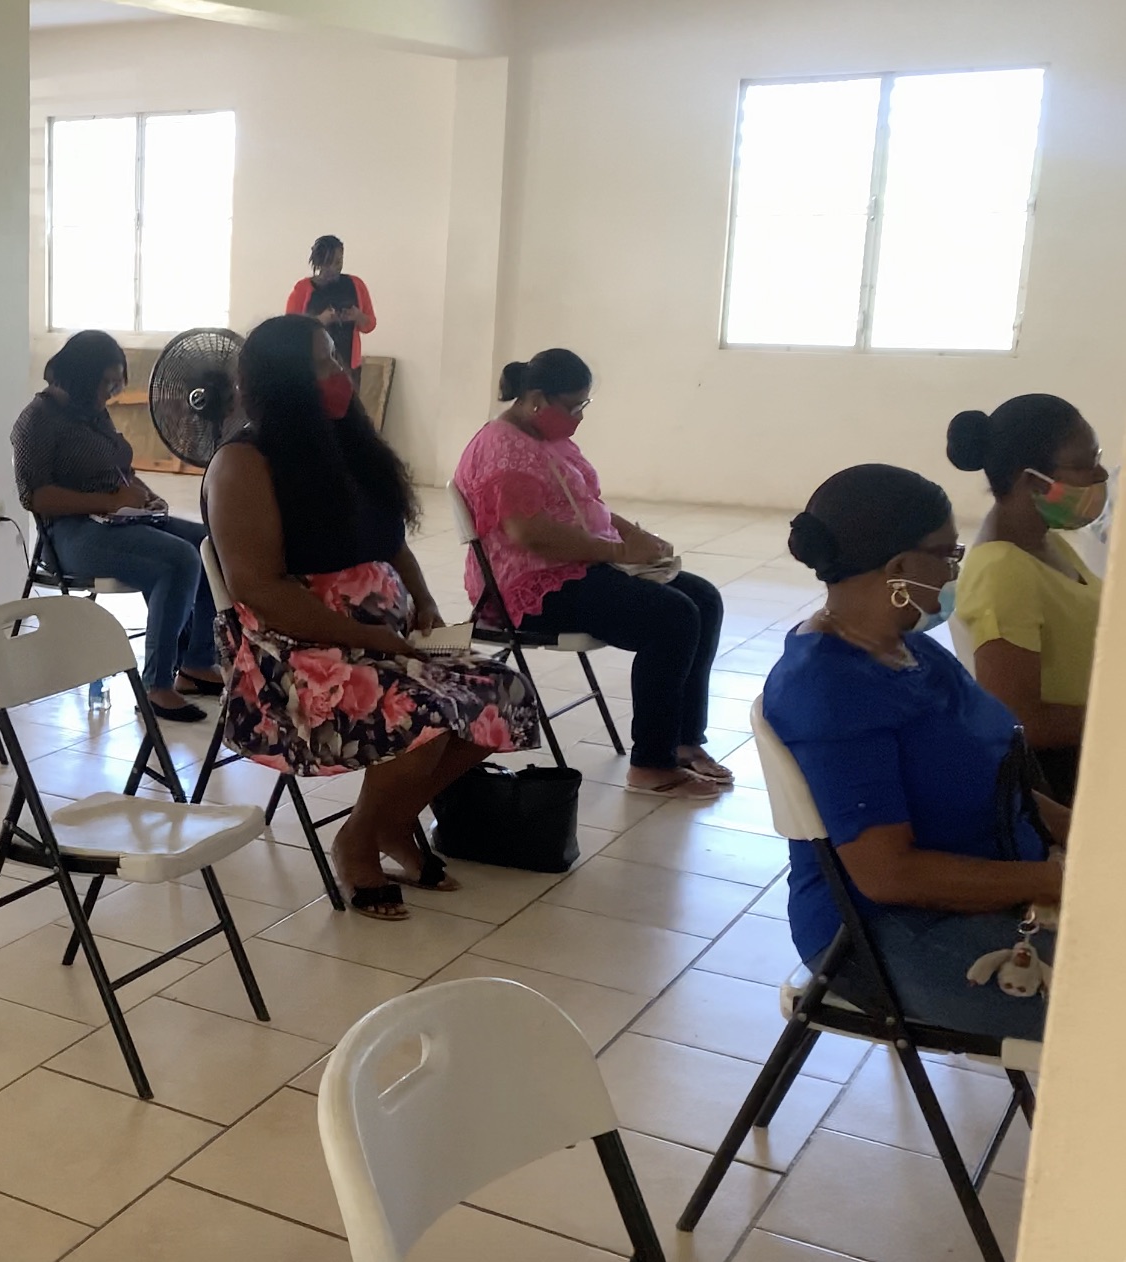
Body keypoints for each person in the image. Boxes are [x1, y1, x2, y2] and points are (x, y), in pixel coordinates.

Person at [206, 316, 543, 920]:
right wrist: (363, 635)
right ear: (284, 380)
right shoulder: (245, 463)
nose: (341, 374)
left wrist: (427, 607)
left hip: (386, 635)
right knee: (418, 707)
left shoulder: (348, 446)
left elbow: (392, 545)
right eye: (323, 363)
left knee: (503, 690)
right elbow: (258, 586)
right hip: (296, 647)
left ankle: (388, 821)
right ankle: (359, 841)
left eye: (337, 359)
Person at [768, 464, 1064, 1041]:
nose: (957, 570)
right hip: (888, 933)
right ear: (899, 568)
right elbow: (887, 875)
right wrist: (1057, 883)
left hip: (987, 881)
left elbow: (994, 775)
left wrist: (1080, 836)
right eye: (948, 555)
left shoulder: (911, 653)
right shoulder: (830, 690)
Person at [453, 349, 730, 798]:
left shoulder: (548, 438)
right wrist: (617, 549)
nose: (579, 417)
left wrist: (636, 538)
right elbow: (530, 534)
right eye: (574, 405)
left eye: (585, 405)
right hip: (531, 588)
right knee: (672, 617)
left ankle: (682, 740)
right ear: (538, 398)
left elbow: (587, 504)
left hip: (579, 565)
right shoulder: (501, 447)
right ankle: (651, 764)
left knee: (703, 598)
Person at [11, 330, 220, 721]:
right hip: (70, 535)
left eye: (116, 382)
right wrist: (107, 502)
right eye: (106, 383)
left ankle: (196, 663)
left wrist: (145, 494)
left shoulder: (92, 413)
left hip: (116, 520)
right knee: (178, 559)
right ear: (79, 377)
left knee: (209, 545)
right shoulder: (37, 420)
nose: (112, 391)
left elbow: (118, 470)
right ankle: (156, 685)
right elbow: (35, 497)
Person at [945, 394, 1104, 803]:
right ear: (1032, 479)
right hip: (1071, 772)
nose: (1100, 474)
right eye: (1085, 465)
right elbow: (1017, 718)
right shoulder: (1003, 570)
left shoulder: (1045, 542)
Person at [284, 236, 376, 371]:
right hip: (312, 367)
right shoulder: (303, 289)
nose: (334, 268)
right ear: (319, 262)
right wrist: (319, 320)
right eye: (328, 263)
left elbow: (370, 324)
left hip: (349, 365)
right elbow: (289, 330)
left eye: (338, 262)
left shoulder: (356, 285)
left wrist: (358, 316)